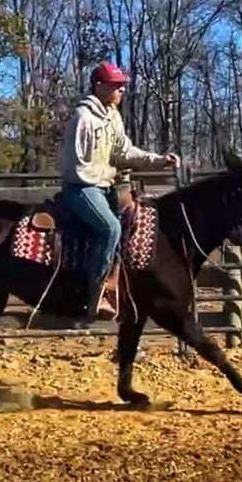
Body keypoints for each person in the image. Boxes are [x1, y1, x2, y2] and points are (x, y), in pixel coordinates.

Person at [57, 61, 180, 322]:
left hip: (105, 186)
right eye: (116, 85)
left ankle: (125, 286)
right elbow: (76, 165)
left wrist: (158, 160)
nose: (121, 90)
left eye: (122, 86)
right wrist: (110, 174)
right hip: (83, 187)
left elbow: (124, 152)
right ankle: (96, 291)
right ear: (99, 86)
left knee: (135, 219)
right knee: (110, 228)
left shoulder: (113, 116)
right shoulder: (84, 118)